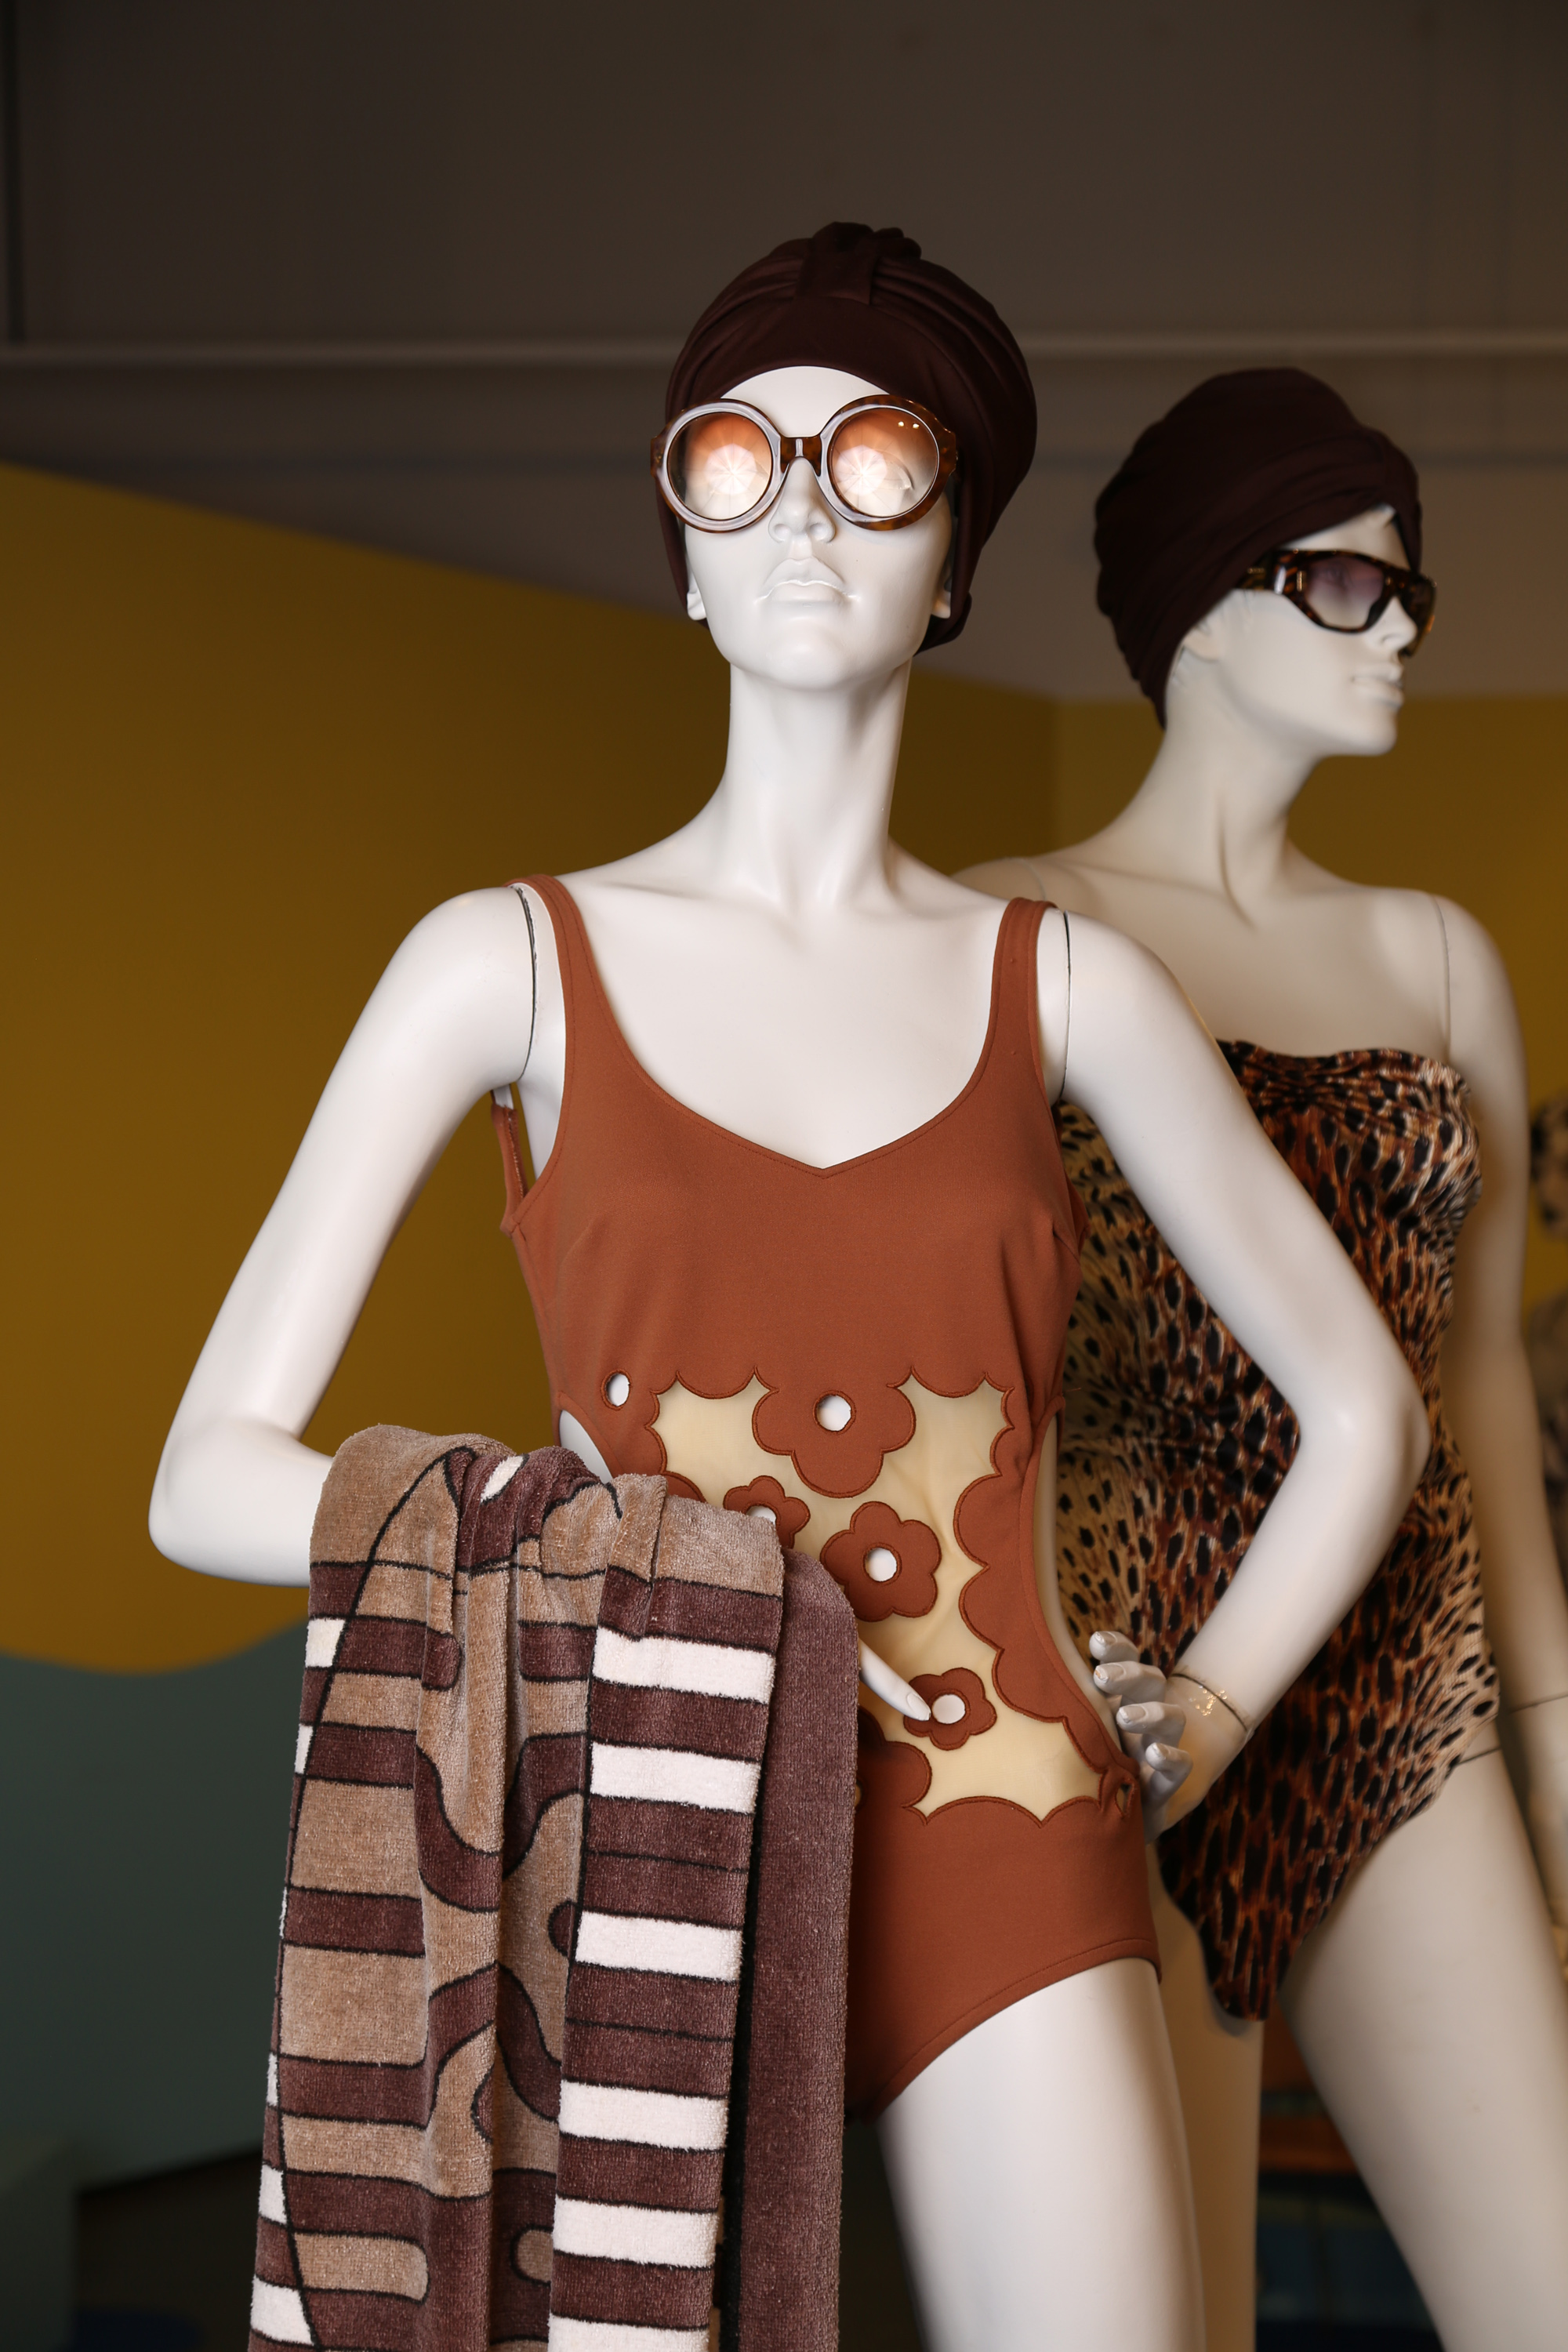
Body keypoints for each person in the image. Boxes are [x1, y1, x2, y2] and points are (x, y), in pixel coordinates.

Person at [151, 244, 1427, 2352]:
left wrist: (1197, 1722)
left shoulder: (1071, 989)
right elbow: (200, 1476)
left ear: (951, 566)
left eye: (880, 456)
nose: (810, 508)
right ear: (682, 547)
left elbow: (1362, 1412)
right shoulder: (502, 964)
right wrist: (566, 1532)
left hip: (1008, 1828)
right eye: (743, 456)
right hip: (651, 1830)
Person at [964, 367, 1568, 2352]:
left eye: (1410, 590)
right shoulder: (1009, 932)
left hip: (1398, 1675)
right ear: (1206, 609)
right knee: (1161, 2324)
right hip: (1122, 1680)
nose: (1398, 629)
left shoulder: (1433, 959)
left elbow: (1475, 1391)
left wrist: (1557, 1737)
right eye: (1345, 582)